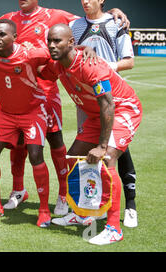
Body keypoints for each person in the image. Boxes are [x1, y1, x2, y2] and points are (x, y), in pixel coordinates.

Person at [0, 0, 129, 215]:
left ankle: (63, 196)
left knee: (57, 144)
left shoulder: (55, 15)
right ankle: (19, 190)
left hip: (47, 92)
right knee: (18, 146)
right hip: (18, 95)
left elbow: (90, 18)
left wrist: (111, 11)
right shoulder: (8, 18)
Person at [40, 24, 142, 245]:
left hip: (122, 108)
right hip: (96, 115)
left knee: (107, 158)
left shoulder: (89, 65)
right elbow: (39, 64)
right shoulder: (58, 63)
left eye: (57, 41)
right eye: (49, 40)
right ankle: (84, 213)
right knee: (73, 158)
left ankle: (114, 228)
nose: (51, 45)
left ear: (70, 43)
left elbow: (108, 104)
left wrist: (102, 146)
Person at [0, 19, 53, 227]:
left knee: (35, 154)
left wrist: (83, 48)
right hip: (6, 113)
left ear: (15, 38)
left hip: (32, 111)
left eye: (2, 35)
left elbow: (56, 52)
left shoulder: (31, 54)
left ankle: (43, 210)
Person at [69, 0, 138, 227]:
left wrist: (105, 66)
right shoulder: (74, 25)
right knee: (86, 153)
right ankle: (90, 206)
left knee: (116, 153)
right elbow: (65, 45)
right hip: (86, 102)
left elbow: (129, 61)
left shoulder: (116, 24)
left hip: (112, 98)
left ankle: (129, 205)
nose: (85, 1)